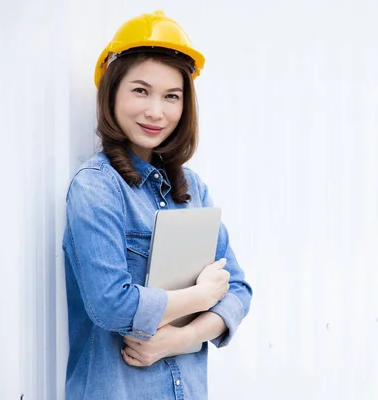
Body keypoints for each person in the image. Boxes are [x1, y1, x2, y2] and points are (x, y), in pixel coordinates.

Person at [62, 10, 253, 399]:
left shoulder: (193, 189)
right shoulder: (96, 188)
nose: (156, 111)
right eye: (140, 90)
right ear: (111, 91)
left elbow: (239, 290)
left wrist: (179, 340)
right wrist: (199, 298)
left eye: (172, 96)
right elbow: (111, 306)